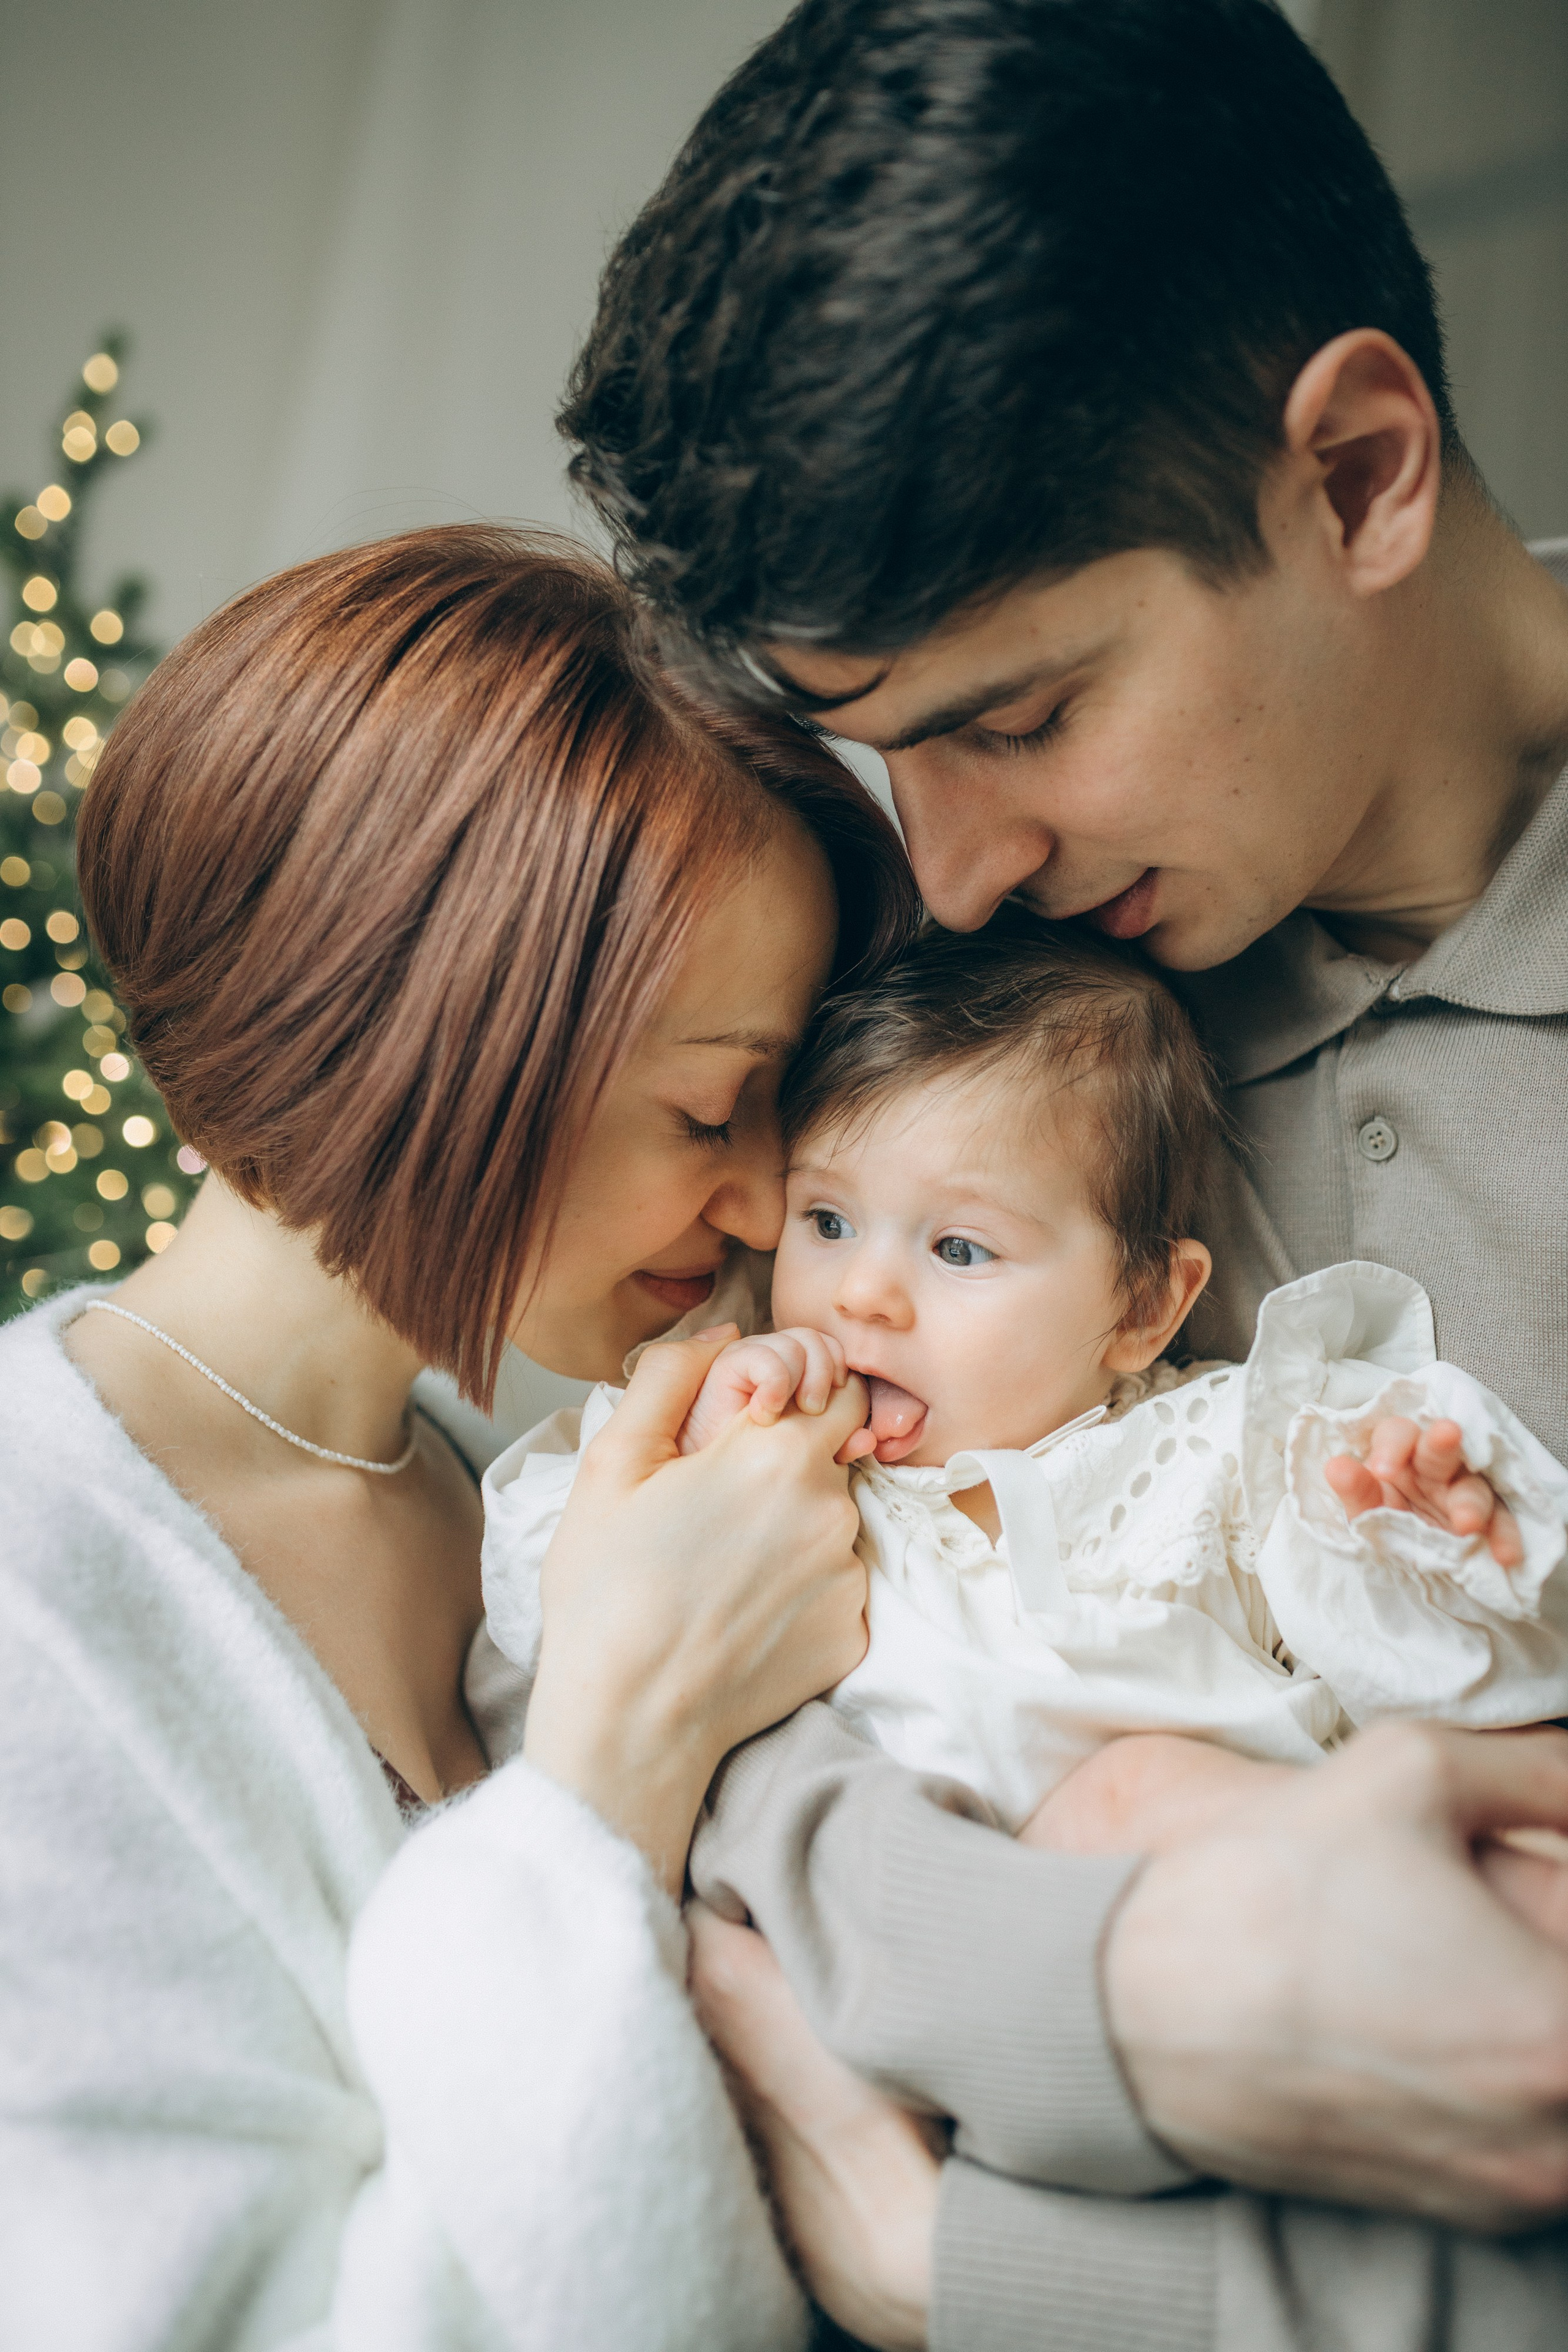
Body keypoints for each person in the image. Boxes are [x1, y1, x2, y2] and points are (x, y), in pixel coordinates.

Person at [557, 0, 1568, 2342]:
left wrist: (969, 2265)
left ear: (1358, 474)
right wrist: (1124, 1984)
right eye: (892, 747)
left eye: (1019, 718)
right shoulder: (972, 1055)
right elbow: (743, 1728)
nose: (964, 864)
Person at [0, 522, 924, 2350]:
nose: (759, 1207)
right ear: (429, 1037)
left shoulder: (510, 1489)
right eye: (712, 1108)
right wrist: (615, 1758)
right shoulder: (38, 1591)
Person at [483, 913, 1566, 1833]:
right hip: (884, 1927)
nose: (861, 1292)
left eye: (958, 1249)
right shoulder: (756, 1429)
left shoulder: (1215, 1454)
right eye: (826, 1219)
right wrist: (701, 1461)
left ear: (1141, 1307)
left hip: (1229, 1891)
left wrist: (1404, 1525)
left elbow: (1404, 1670)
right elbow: (536, 1604)